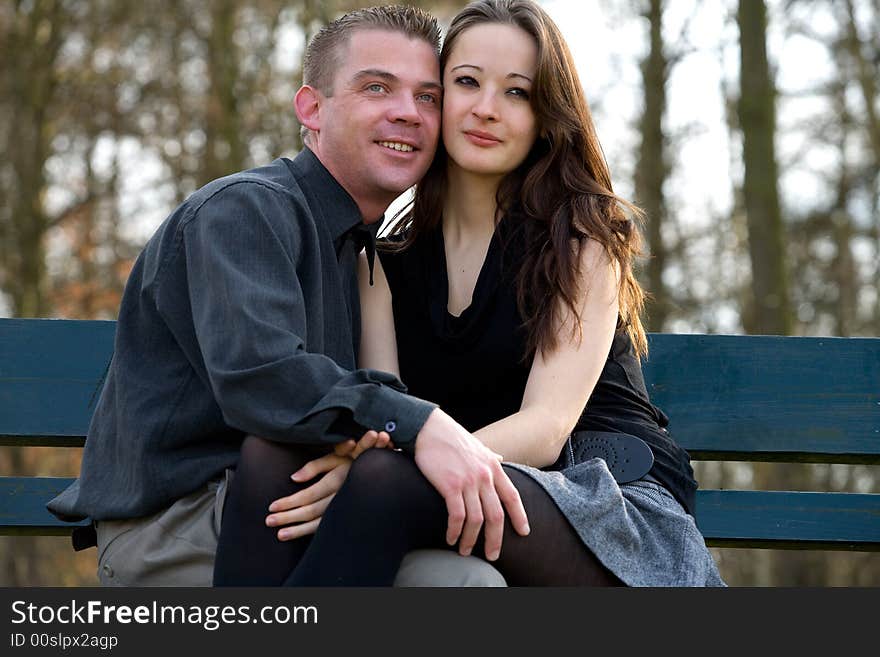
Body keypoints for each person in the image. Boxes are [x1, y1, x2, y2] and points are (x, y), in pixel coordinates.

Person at [46, 5, 525, 588]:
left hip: (310, 507)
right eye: (377, 87)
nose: (408, 113)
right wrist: (420, 425)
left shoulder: (367, 257)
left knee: (470, 585)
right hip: (186, 525)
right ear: (312, 108)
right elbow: (262, 375)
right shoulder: (245, 210)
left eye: (428, 97)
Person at [255, 0, 725, 587]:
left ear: (546, 117)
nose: (485, 109)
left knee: (381, 480)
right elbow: (390, 413)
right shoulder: (381, 260)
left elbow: (547, 426)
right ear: (437, 97)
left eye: (517, 93)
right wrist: (375, 457)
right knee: (325, 481)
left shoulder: (581, 234)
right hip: (463, 492)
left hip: (605, 501)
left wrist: (397, 461)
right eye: (467, 82)